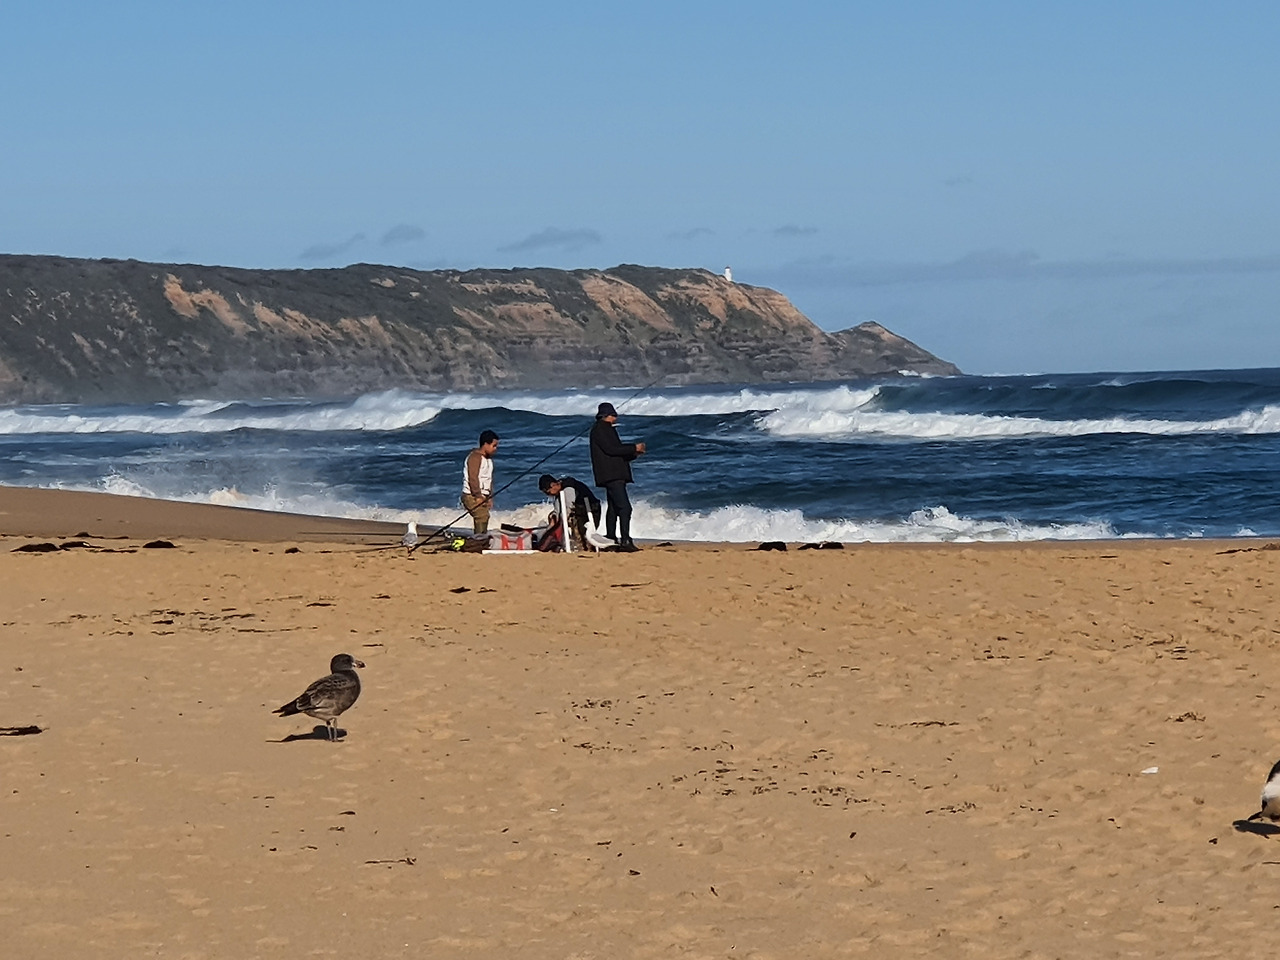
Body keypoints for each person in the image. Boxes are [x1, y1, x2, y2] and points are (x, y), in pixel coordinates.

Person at [588, 402, 645, 551]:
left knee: (613, 508)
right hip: (612, 475)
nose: (616, 417)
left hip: (611, 474)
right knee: (625, 508)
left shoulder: (603, 429)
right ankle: (625, 540)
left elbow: (614, 453)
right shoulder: (601, 429)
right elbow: (612, 449)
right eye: (613, 414)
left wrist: (634, 454)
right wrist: (633, 447)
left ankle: (611, 539)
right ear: (606, 415)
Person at [538, 473, 602, 551]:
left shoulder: (568, 488)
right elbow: (557, 510)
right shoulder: (559, 492)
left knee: (572, 524)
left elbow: (568, 508)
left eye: (548, 492)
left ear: (553, 485)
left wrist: (560, 521)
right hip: (579, 512)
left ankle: (582, 546)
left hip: (590, 511)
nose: (549, 495)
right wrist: (553, 519)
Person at [461, 429, 500, 534]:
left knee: (485, 516)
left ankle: (481, 537)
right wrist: (478, 495)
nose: (495, 449)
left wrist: (489, 496)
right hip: (471, 495)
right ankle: (479, 538)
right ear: (485, 444)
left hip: (483, 495)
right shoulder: (475, 457)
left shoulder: (488, 460)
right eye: (494, 446)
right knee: (481, 516)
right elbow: (473, 478)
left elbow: (488, 480)